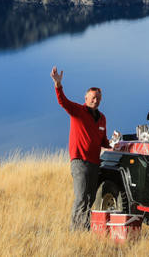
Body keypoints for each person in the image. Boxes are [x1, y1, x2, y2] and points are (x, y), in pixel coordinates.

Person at [50, 66, 110, 230]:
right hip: (80, 162)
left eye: (98, 98)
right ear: (86, 98)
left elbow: (103, 140)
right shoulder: (78, 111)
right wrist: (58, 84)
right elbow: (63, 101)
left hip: (94, 163)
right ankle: (76, 231)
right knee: (81, 197)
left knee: (90, 199)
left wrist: (113, 145)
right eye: (92, 98)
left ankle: (85, 228)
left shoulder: (102, 118)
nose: (95, 100)